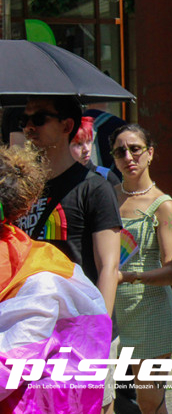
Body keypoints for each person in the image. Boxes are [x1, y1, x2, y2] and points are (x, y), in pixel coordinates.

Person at [14, 96, 121, 413]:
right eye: (24, 120)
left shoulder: (93, 187)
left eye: (39, 119)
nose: (29, 127)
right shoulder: (22, 192)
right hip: (32, 328)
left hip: (80, 328)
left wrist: (97, 334)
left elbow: (109, 266)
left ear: (66, 125)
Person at [111, 124, 172, 414]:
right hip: (113, 313)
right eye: (120, 152)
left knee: (150, 402)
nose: (128, 157)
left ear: (150, 153)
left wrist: (127, 277)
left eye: (135, 149)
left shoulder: (163, 205)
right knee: (111, 399)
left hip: (151, 314)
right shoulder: (108, 197)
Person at [71, 115, 121, 184]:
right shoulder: (58, 177)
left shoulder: (106, 176)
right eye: (79, 144)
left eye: (89, 141)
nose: (86, 149)